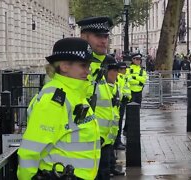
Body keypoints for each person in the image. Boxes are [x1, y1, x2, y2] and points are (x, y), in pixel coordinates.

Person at [17, 38, 101, 180]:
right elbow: (32, 148)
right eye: (83, 65)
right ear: (64, 66)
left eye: (89, 66)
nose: (88, 71)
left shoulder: (74, 93)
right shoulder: (54, 99)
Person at [77, 16, 124, 179]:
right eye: (98, 36)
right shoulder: (80, 69)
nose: (104, 41)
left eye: (106, 36)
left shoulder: (99, 68)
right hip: (84, 147)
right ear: (84, 37)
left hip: (102, 144)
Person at [114, 62, 131, 150]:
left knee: (119, 123)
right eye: (122, 69)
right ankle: (116, 142)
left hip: (122, 102)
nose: (124, 70)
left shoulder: (123, 77)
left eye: (125, 69)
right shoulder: (118, 78)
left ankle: (118, 141)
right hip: (118, 103)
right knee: (118, 124)